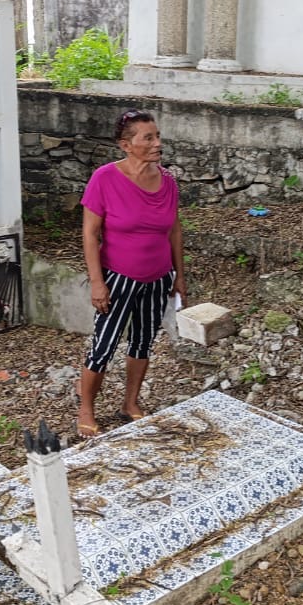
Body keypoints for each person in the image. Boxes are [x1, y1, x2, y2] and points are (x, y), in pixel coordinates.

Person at [76, 109, 186, 438]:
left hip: (158, 277)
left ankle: (130, 402)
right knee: (104, 346)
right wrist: (97, 283)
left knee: (143, 342)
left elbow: (174, 230)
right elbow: (89, 234)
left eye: (157, 136)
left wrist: (179, 275)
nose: (157, 144)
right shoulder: (105, 179)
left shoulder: (168, 181)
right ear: (126, 145)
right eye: (148, 138)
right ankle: (86, 408)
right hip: (118, 278)